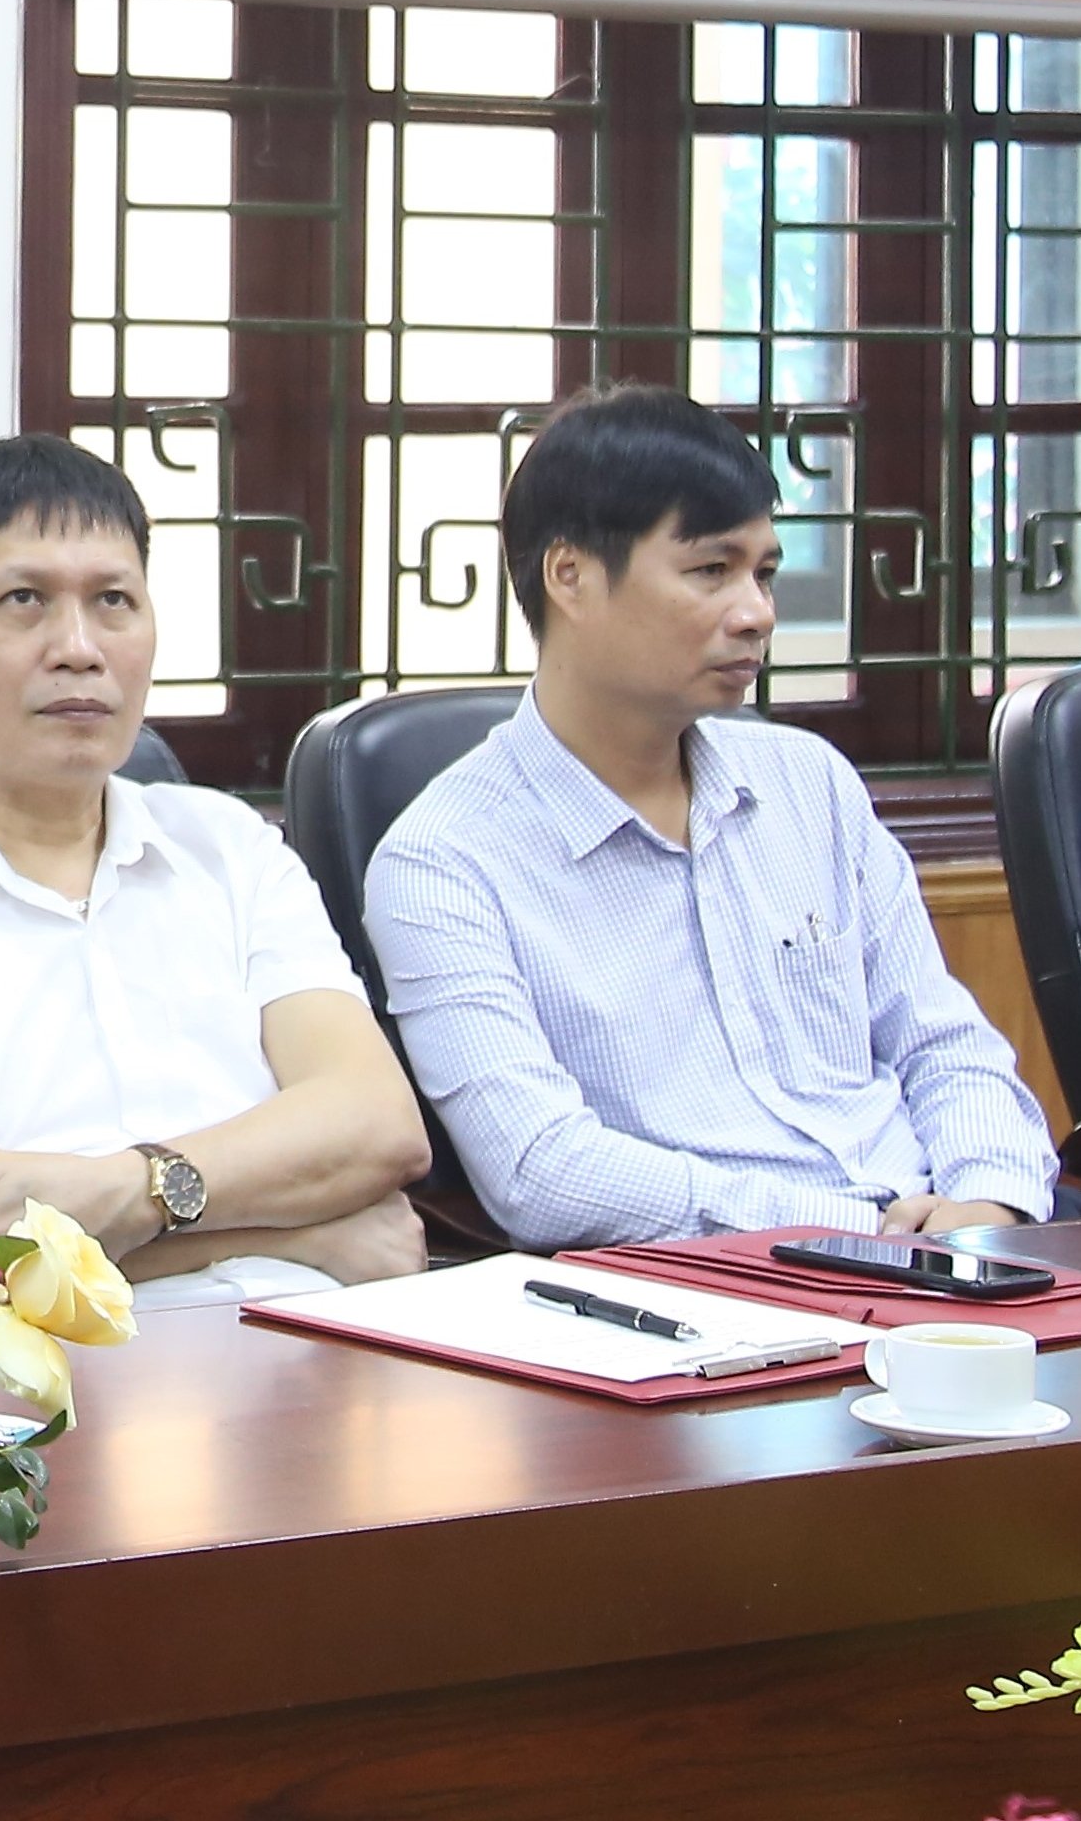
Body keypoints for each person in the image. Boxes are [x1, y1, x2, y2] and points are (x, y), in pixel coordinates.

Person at [0, 436, 430, 1309]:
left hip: (328, 1345)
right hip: (28, 1396)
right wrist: (297, 1227)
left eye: (112, 600)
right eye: (23, 600)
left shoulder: (233, 848)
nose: (78, 647)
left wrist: (132, 1193)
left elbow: (377, 1125)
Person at [368, 385, 1059, 1250]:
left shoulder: (809, 783)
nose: (756, 612)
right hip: (706, 1287)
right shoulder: (441, 860)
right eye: (710, 570)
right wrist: (859, 1230)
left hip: (943, 1246)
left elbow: (942, 1041)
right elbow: (539, 1170)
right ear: (569, 575)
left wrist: (986, 1198)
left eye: (763, 572)